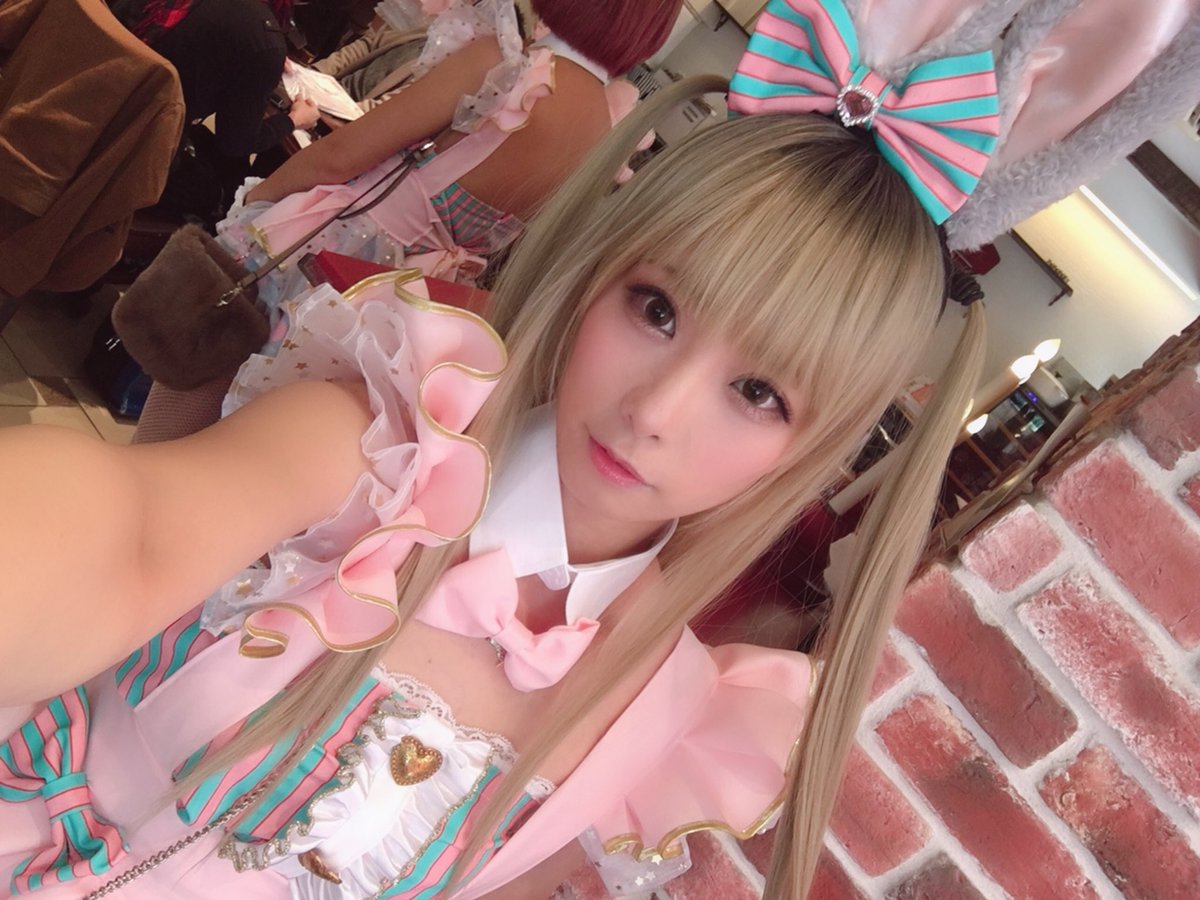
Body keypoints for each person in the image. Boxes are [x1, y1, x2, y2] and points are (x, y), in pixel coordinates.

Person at [2, 1, 1196, 897]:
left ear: (816, 446)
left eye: (759, 393)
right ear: (598, 272)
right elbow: (129, 535)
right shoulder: (374, 442)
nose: (658, 409)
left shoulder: (672, 710)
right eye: (657, 309)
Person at [111, 0, 321, 217]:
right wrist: (293, 120)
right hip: (131, 147)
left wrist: (264, 55)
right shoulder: (263, 40)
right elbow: (235, 143)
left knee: (205, 141)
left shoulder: (258, 35)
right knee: (216, 193)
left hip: (102, 84)